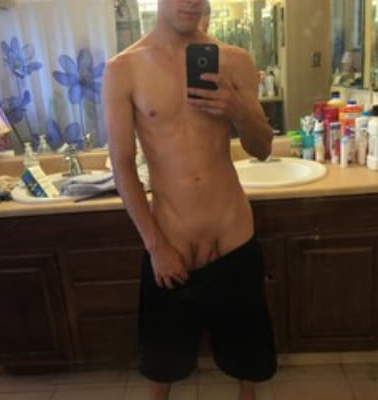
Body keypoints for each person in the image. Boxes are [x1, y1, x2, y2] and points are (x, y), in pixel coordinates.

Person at [103, 0, 277, 399]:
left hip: (234, 238)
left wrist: (239, 111)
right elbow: (123, 165)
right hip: (171, 246)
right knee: (161, 367)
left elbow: (263, 148)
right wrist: (156, 247)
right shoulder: (123, 69)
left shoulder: (235, 61)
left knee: (249, 363)